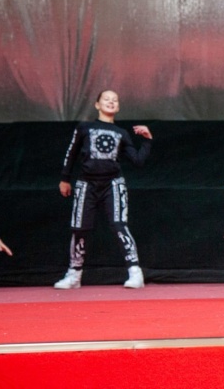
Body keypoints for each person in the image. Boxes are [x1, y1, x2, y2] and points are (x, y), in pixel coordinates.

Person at [54, 90, 152, 289]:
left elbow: (137, 161)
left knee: (119, 225)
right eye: (106, 99)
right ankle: (74, 275)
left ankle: (135, 272)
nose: (111, 102)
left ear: (118, 107)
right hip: (86, 183)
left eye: (115, 100)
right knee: (79, 228)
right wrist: (65, 178)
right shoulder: (84, 127)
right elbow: (71, 153)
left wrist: (147, 140)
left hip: (113, 183)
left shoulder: (122, 133)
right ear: (97, 105)